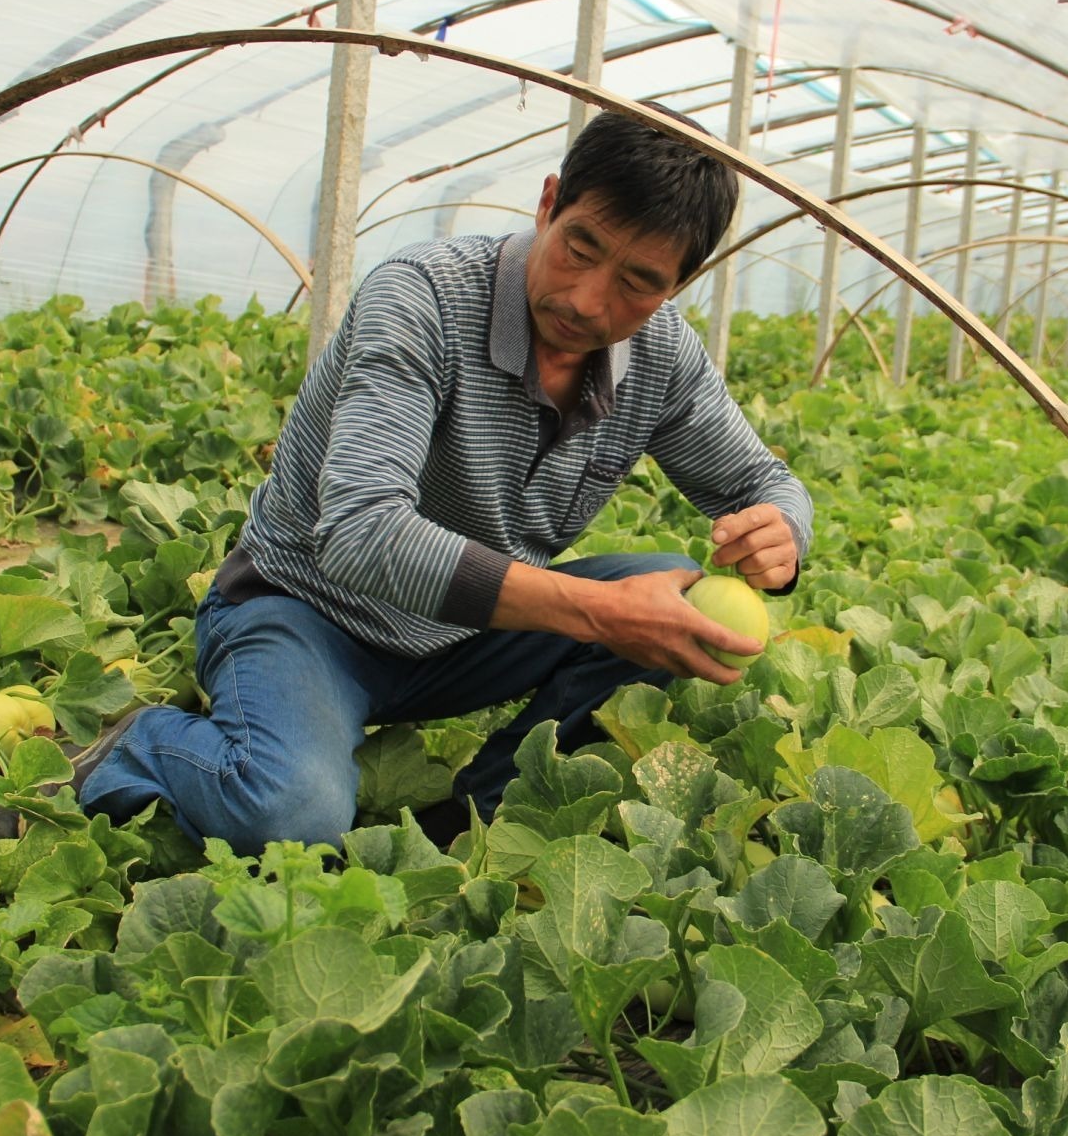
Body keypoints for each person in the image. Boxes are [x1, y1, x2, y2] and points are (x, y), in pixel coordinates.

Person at [74, 106, 814, 853]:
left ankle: (470, 822)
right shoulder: (423, 298)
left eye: (638, 283)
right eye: (580, 248)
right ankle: (143, 744)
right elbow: (362, 535)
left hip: (462, 638)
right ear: (550, 202)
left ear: (678, 284)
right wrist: (595, 610)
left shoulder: (662, 358)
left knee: (670, 587)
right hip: (305, 613)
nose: (590, 300)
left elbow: (764, 482)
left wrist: (782, 534)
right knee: (288, 813)